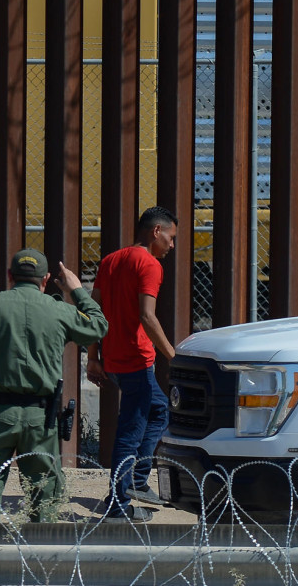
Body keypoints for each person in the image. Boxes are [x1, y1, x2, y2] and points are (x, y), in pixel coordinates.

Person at [0, 249, 107, 523]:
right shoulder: (59, 310)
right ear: (46, 280)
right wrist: (76, 290)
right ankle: (39, 557)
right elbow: (99, 327)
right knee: (45, 493)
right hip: (40, 419)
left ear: (10, 276)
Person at [86, 206, 178, 522]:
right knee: (130, 431)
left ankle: (137, 482)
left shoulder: (110, 261)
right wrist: (173, 357)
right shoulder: (150, 265)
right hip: (137, 361)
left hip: (113, 360)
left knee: (159, 410)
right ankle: (118, 504)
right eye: (171, 237)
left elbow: (93, 314)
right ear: (156, 231)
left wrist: (93, 357)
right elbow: (147, 316)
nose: (172, 245)